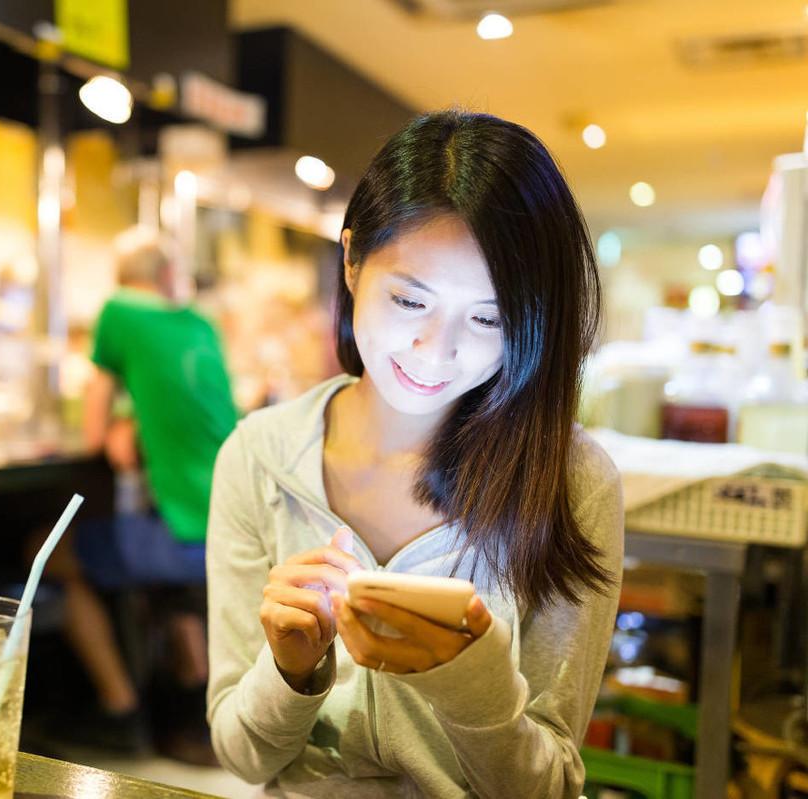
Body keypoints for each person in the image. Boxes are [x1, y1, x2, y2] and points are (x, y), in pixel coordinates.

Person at [206, 110, 624, 798]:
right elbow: (243, 756)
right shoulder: (260, 456)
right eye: (409, 299)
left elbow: (548, 787)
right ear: (350, 261)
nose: (437, 349)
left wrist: (477, 691)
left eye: (488, 317)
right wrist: (288, 673)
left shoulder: (571, 481)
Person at [63, 227, 238, 763]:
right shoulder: (201, 325)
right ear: (167, 277)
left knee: (51, 559)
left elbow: (93, 435)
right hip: (231, 529)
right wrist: (132, 418)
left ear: (124, 279)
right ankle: (191, 719)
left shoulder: (119, 312)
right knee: (166, 579)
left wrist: (116, 419)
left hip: (182, 538)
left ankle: (119, 714)